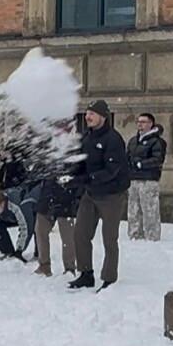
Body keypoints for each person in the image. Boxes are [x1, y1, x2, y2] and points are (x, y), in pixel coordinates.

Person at [70, 100, 130, 289]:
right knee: (80, 233)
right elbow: (81, 162)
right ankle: (86, 273)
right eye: (87, 113)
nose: (88, 117)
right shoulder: (87, 138)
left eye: (92, 114)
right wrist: (72, 174)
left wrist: (88, 178)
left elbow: (112, 170)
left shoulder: (113, 139)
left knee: (109, 237)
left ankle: (109, 277)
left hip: (112, 195)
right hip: (91, 194)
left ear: (103, 117)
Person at [127, 113, 167, 242]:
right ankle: (134, 235)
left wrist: (141, 164)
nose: (140, 124)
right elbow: (127, 156)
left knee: (150, 210)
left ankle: (152, 236)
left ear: (151, 124)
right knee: (133, 210)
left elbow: (157, 159)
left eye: (143, 122)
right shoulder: (133, 141)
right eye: (138, 122)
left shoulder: (157, 142)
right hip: (133, 179)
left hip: (149, 179)